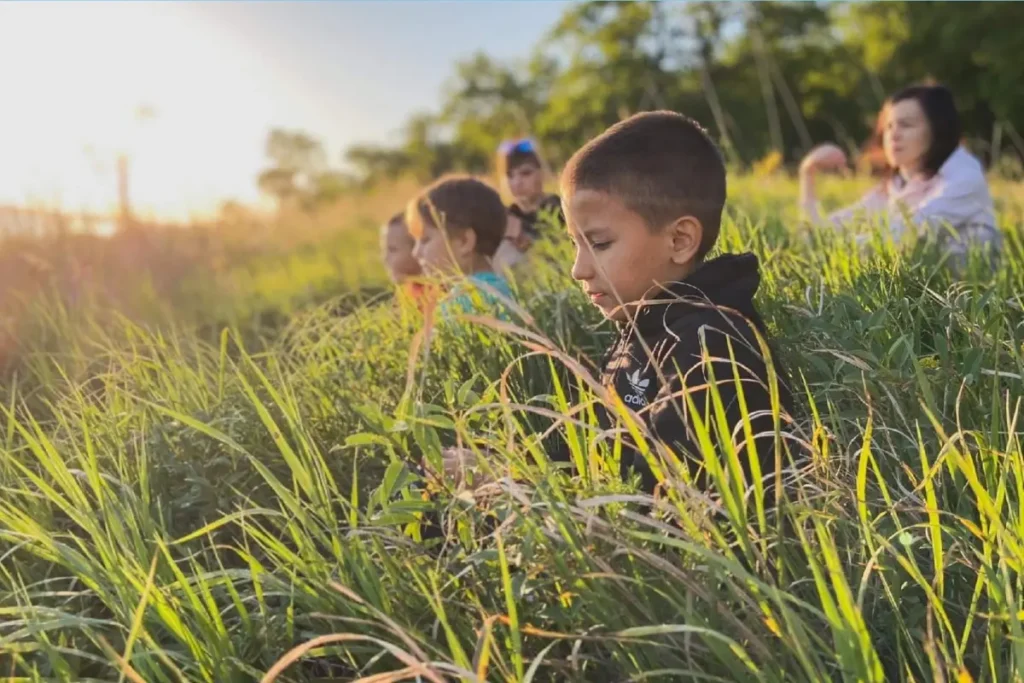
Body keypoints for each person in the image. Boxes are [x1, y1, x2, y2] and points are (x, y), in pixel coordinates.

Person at [562, 110, 794, 497]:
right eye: (575, 243)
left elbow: (659, 497)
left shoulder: (713, 347)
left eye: (599, 244)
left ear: (680, 240)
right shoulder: (642, 323)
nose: (578, 270)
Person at [799, 84, 999, 269]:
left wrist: (837, 249)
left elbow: (906, 232)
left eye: (906, 125)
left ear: (938, 129)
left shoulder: (964, 176)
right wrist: (807, 173)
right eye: (889, 126)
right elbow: (820, 233)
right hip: (918, 288)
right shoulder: (898, 184)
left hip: (972, 291)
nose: (893, 135)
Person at [405, 175, 516, 321]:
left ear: (464, 242)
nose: (415, 253)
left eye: (425, 240)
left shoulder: (460, 304)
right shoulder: (506, 290)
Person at [493, 138, 564, 273]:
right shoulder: (507, 218)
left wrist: (532, 247)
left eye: (525, 173)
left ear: (541, 173)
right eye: (510, 176)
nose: (517, 182)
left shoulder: (562, 209)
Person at [380, 211, 428, 305]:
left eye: (392, 250)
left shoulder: (438, 296)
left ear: (417, 249)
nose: (385, 258)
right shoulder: (406, 293)